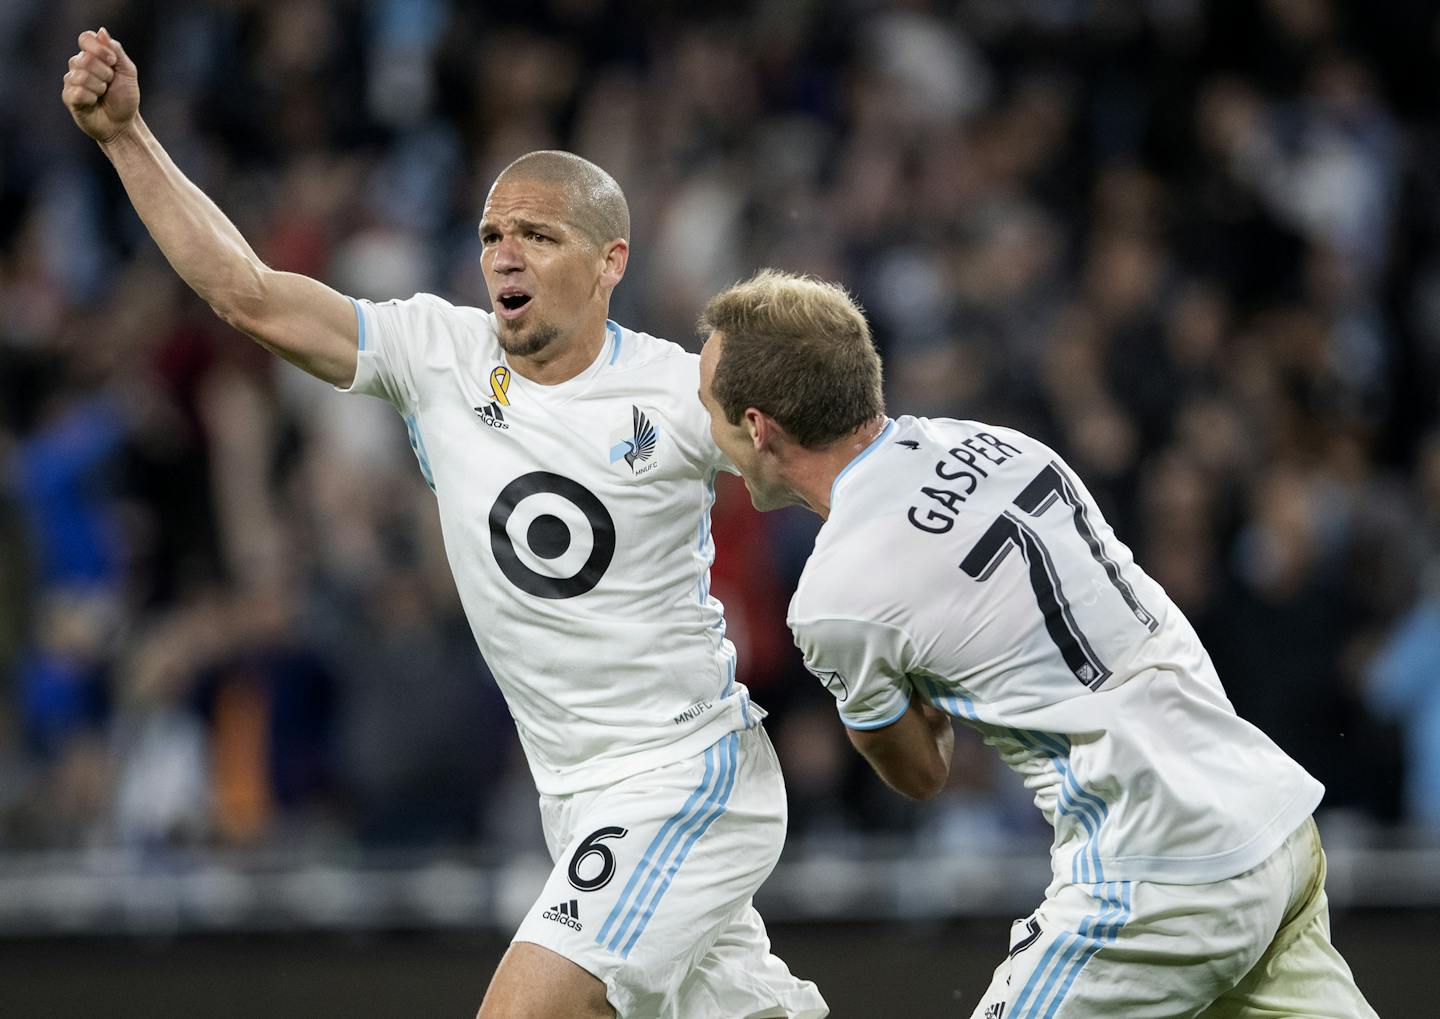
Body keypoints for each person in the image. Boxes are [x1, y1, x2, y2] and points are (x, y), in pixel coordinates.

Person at [62, 29, 827, 1019]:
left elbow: (816, 478)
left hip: (678, 777)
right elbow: (245, 293)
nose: (504, 254)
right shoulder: (438, 353)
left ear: (609, 263)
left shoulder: (680, 394)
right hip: (578, 793)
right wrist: (128, 139)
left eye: (538, 236)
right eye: (492, 233)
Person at [695, 269, 1379, 1018]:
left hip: (1153, 871)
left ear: (758, 428)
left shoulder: (835, 594)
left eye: (709, 408)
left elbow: (923, 771)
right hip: (1268, 816)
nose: (706, 429)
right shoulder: (1006, 444)